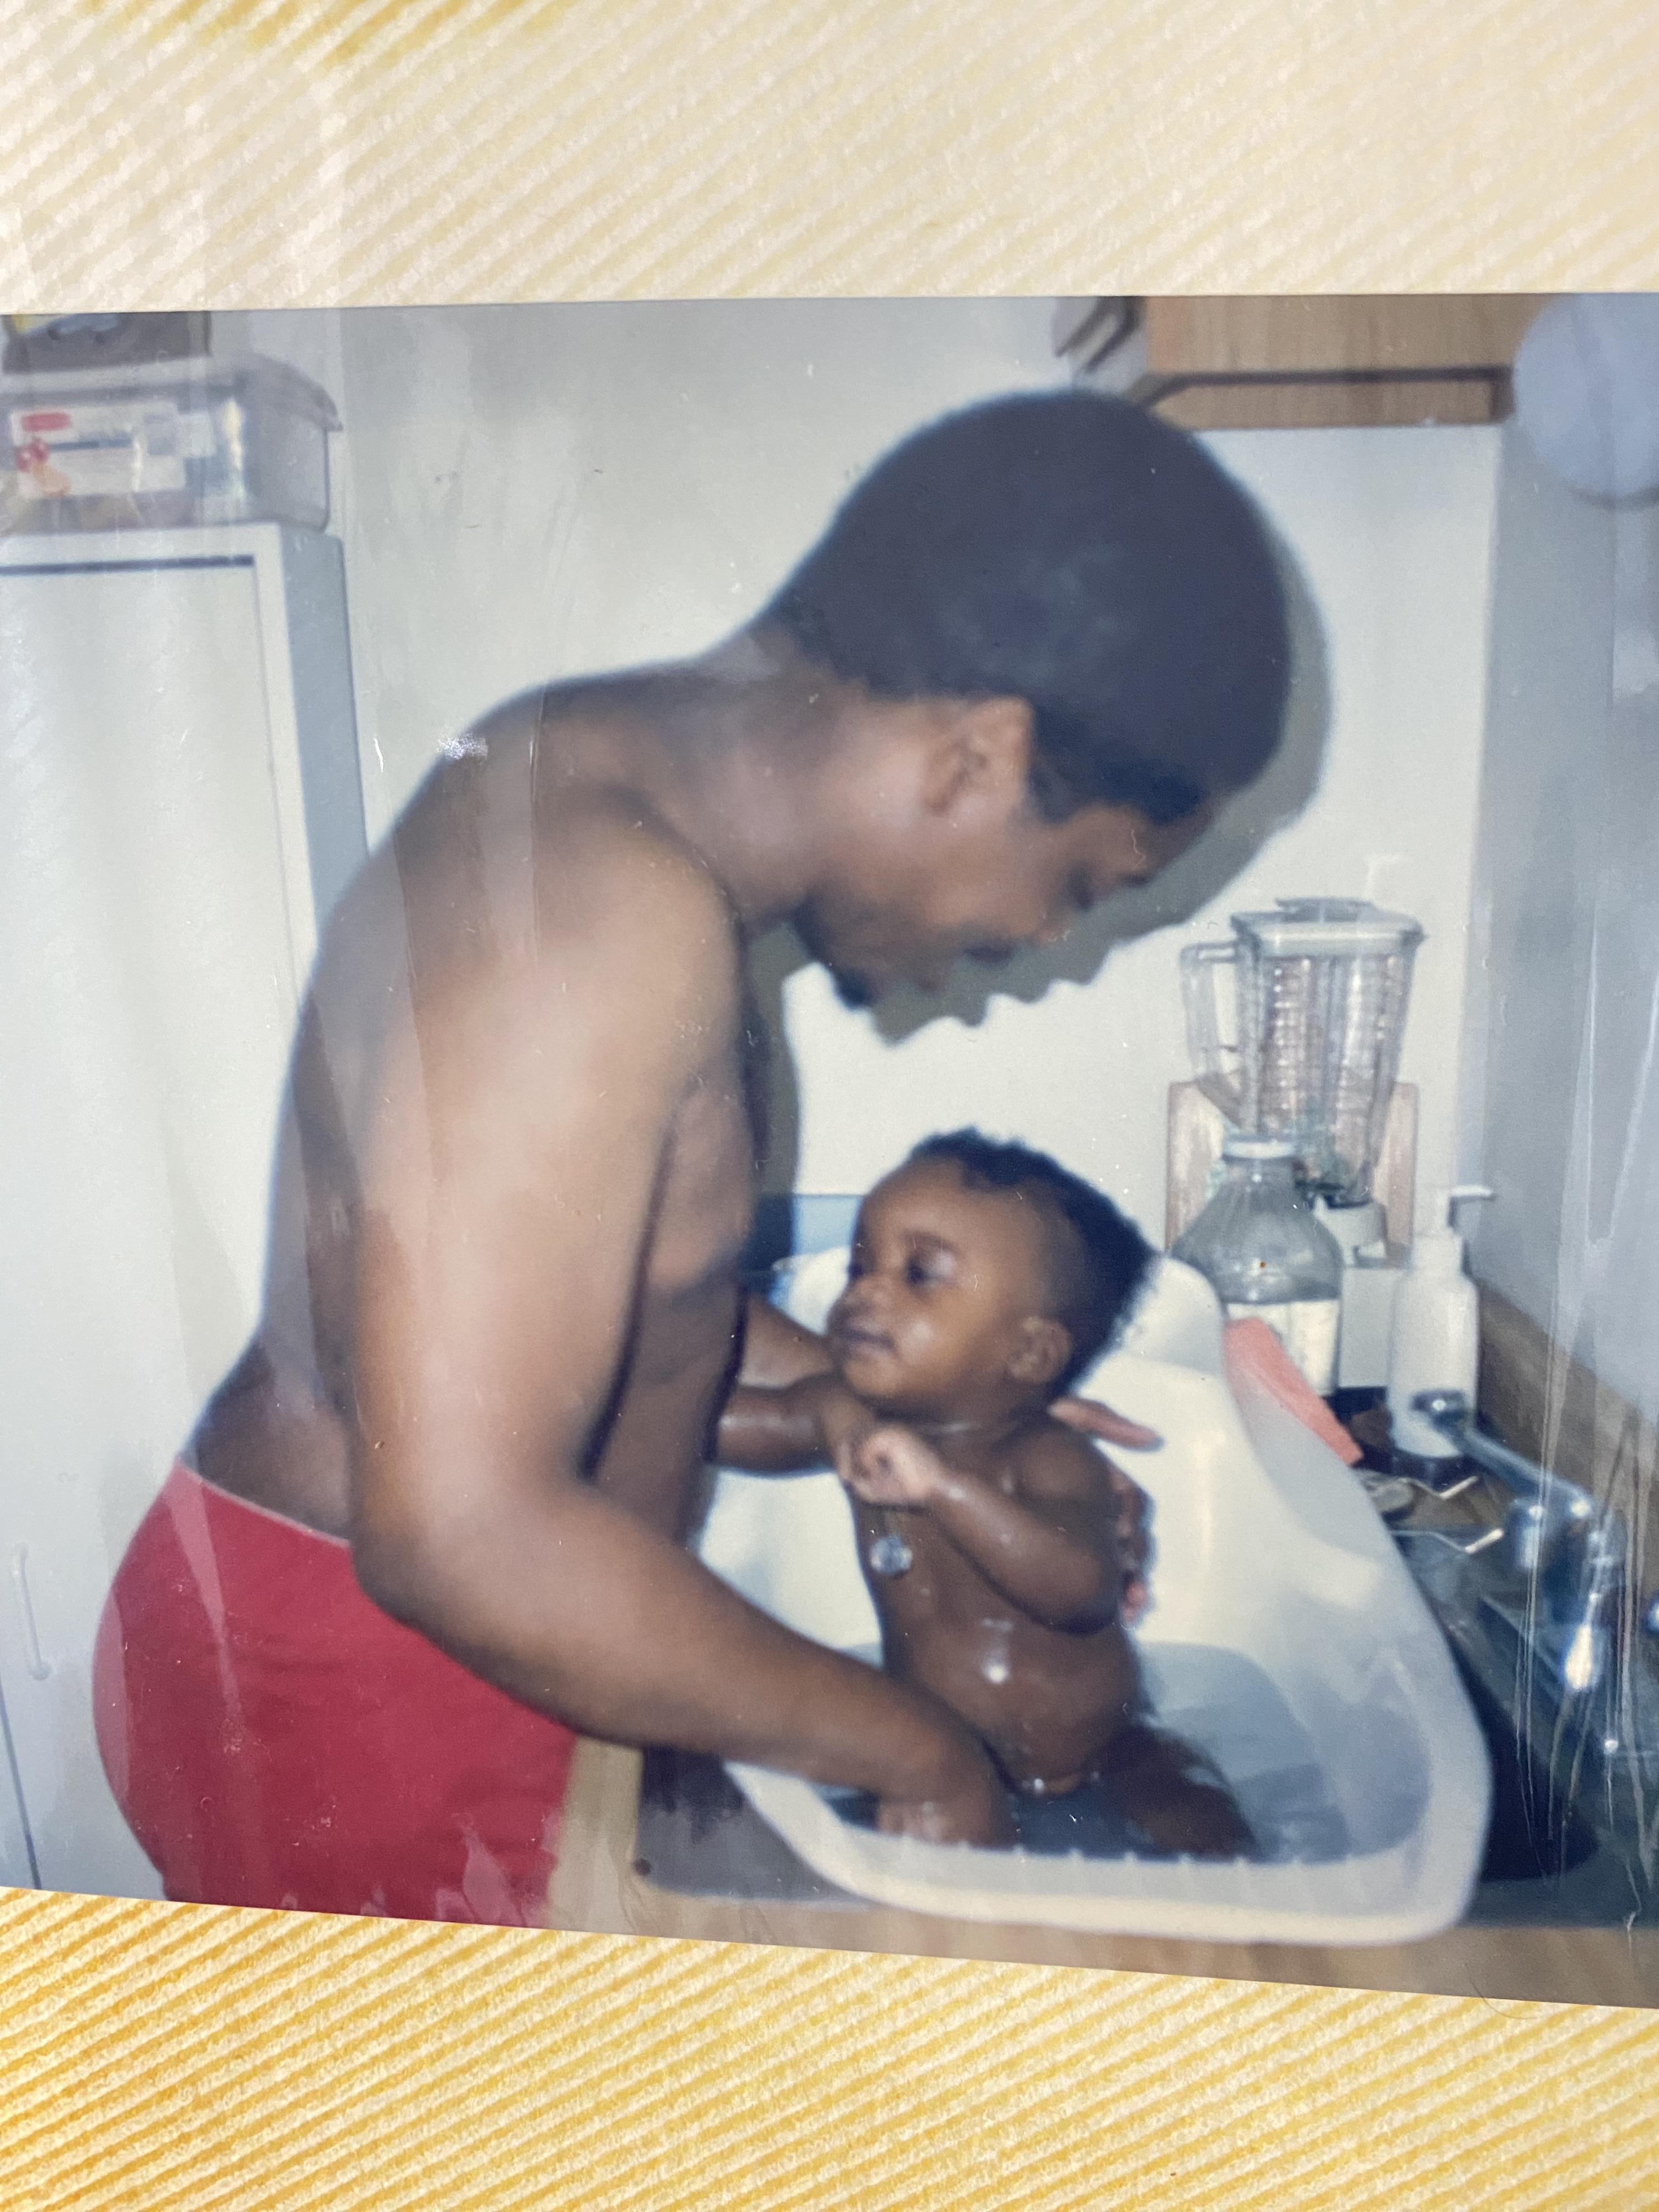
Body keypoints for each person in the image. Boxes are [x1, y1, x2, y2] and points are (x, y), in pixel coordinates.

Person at [92, 387, 1290, 1923]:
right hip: (362, 1679)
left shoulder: (646, 835)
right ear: (978, 761)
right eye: (1076, 882)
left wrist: (906, 1402)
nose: (1044, 945)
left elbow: (623, 1306)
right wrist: (921, 1750)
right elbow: (460, 1534)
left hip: (477, 1647)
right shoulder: (605, 909)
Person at [715, 1132, 1255, 1858]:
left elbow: (1082, 1589)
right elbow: (710, 1421)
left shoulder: (1048, 1455)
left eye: (920, 1274)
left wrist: (943, 1487)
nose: (866, 1291)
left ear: (1030, 1352)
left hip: (1101, 1745)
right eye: (860, 1264)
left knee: (1195, 1812)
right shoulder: (839, 1414)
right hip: (935, 1744)